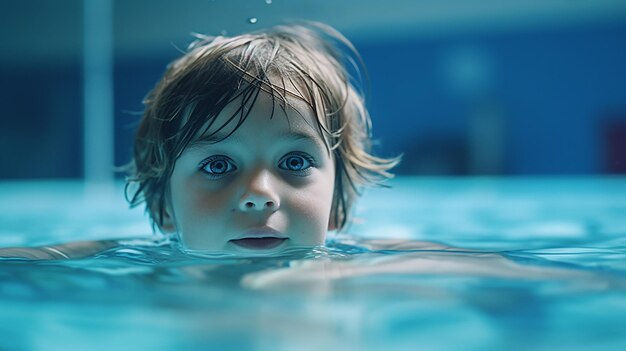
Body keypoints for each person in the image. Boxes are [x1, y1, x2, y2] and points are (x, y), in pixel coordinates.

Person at [0, 21, 398, 259]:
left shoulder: (366, 267)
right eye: (218, 165)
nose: (259, 194)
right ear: (165, 208)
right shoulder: (143, 269)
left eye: (294, 162)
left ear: (337, 205)